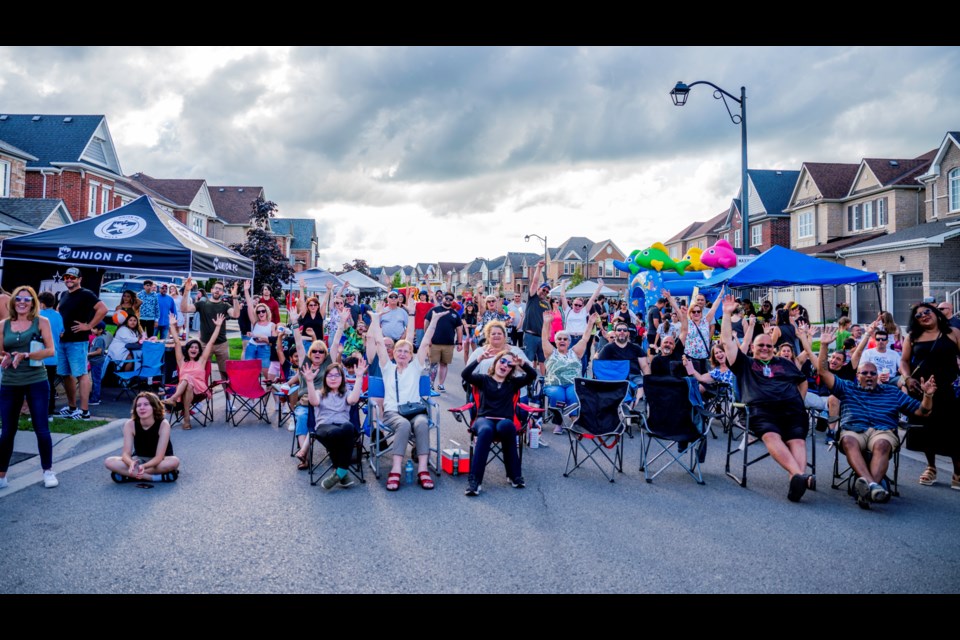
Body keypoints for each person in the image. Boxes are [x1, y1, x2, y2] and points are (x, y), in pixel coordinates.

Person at [817, 326, 935, 506]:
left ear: (878, 375)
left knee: (882, 444)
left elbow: (923, 411)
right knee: (848, 441)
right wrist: (824, 346)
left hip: (883, 430)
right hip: (854, 430)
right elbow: (823, 372)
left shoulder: (891, 392)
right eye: (864, 373)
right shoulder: (847, 388)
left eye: (873, 373)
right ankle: (873, 485)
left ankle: (865, 490)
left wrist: (928, 395)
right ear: (857, 376)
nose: (869, 376)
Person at [720, 294, 814, 502]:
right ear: (752, 348)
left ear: (774, 347)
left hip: (792, 411)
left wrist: (799, 399)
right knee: (771, 436)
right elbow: (726, 342)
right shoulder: (744, 363)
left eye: (768, 346)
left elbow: (802, 380)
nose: (764, 348)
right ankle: (799, 476)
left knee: (797, 440)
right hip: (762, 411)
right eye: (760, 345)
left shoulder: (784, 362)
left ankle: (796, 480)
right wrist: (727, 315)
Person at [372, 306, 445, 491]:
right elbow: (379, 344)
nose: (403, 353)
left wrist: (434, 321)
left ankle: (422, 470)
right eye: (399, 350)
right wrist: (375, 319)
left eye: (406, 351)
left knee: (421, 423)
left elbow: (426, 341)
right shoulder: (387, 367)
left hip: (414, 410)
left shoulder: (416, 367)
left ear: (411, 355)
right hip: (393, 412)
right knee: (403, 425)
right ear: (394, 353)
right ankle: (396, 470)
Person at [0, 286, 57, 490]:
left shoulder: (42, 322)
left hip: (36, 380)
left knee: (41, 429)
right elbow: (0, 353)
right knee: (7, 431)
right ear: (13, 302)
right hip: (10, 382)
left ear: (33, 302)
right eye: (18, 299)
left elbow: (51, 350)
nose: (22, 302)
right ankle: (2, 476)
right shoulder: (3, 325)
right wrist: (5, 358)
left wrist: (27, 355)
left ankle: (48, 471)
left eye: (26, 299)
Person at [898, 302, 960, 489]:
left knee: (953, 429)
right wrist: (907, 378)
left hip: (949, 389)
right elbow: (904, 360)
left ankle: (958, 470)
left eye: (927, 311)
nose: (924, 315)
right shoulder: (912, 337)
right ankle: (931, 467)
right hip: (922, 390)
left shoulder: (953, 333)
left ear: (935, 313)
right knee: (926, 429)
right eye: (918, 315)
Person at [461, 350, 538, 496]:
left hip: (504, 420)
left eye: (509, 364)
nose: (504, 365)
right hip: (484, 419)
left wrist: (522, 364)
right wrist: (479, 359)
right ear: (496, 363)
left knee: (507, 426)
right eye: (502, 361)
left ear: (511, 370)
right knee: (486, 431)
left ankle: (514, 476)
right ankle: (474, 482)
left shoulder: (513, 383)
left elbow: (532, 376)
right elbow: (465, 375)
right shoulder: (483, 379)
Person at [299, 358, 367, 489]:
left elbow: (353, 400)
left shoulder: (346, 393)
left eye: (337, 375)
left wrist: (359, 377)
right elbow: (313, 402)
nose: (333, 378)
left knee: (348, 427)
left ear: (342, 378)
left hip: (343, 427)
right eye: (330, 375)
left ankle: (339, 472)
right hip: (324, 427)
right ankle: (342, 473)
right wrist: (309, 381)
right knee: (337, 433)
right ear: (325, 378)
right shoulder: (319, 393)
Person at [56, 267, 108, 420]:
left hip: (77, 342)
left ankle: (84, 411)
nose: (69, 280)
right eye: (66, 277)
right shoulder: (65, 295)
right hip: (63, 341)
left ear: (79, 279)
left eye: (72, 277)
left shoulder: (86, 294)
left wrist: (89, 326)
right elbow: (59, 311)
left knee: (81, 374)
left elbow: (103, 309)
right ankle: (72, 407)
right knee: (65, 374)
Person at [162, 313, 225, 430]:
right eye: (191, 347)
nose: (194, 349)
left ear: (199, 350)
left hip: (200, 389)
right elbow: (176, 343)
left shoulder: (202, 360)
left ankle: (174, 398)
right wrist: (172, 325)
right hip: (186, 389)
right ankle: (186, 420)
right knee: (188, 385)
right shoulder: (181, 361)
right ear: (188, 350)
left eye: (196, 347)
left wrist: (217, 326)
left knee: (186, 377)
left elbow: (211, 342)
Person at [104, 392, 179, 483]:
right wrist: (131, 463)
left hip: (159, 461)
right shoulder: (130, 424)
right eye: (138, 405)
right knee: (109, 461)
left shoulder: (163, 424)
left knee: (174, 461)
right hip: (140, 459)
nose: (142, 408)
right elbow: (126, 454)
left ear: (154, 407)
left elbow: (159, 457)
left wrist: (143, 467)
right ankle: (153, 478)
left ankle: (130, 475)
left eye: (146, 404)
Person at [541, 310, 596, 434]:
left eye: (565, 339)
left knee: (573, 394)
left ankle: (574, 421)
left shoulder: (575, 352)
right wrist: (546, 323)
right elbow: (544, 339)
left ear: (569, 342)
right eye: (559, 339)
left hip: (572, 383)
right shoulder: (550, 352)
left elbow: (585, 338)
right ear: (555, 341)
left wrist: (590, 323)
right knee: (558, 395)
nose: (562, 341)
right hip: (554, 384)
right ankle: (558, 423)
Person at [181, 277, 241, 380]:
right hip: (204, 344)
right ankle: (205, 394)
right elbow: (184, 309)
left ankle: (227, 396)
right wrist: (186, 291)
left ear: (222, 293)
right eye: (216, 288)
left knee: (225, 375)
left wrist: (234, 297)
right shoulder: (202, 304)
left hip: (222, 345)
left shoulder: (225, 306)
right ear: (212, 290)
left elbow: (236, 314)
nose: (217, 290)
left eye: (220, 289)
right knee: (203, 373)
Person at [560, 279, 604, 375]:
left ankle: (582, 377)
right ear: (572, 304)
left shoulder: (584, 311)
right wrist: (563, 284)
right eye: (575, 304)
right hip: (570, 338)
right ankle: (570, 376)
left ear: (582, 306)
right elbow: (562, 296)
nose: (577, 306)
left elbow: (592, 298)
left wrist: (600, 286)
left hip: (581, 339)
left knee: (583, 359)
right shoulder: (568, 310)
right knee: (569, 358)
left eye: (580, 305)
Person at [596, 320, 651, 395]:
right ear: (615, 333)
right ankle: (627, 404)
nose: (622, 332)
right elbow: (601, 366)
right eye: (619, 330)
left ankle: (630, 405)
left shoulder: (636, 348)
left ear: (628, 333)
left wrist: (648, 380)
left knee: (640, 385)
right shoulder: (608, 348)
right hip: (616, 376)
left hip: (634, 376)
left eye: (625, 330)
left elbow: (644, 366)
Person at [424, 292, 463, 391]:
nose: (448, 300)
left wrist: (460, 343)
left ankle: (441, 384)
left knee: (444, 364)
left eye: (450, 299)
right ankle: (430, 384)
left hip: (448, 344)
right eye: (447, 298)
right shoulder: (434, 310)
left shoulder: (455, 314)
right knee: (433, 364)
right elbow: (426, 323)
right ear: (443, 298)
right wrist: (427, 338)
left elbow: (459, 329)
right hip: (434, 343)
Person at [521, 260, 550, 374]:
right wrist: (539, 268)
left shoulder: (547, 304)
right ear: (538, 289)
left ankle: (543, 382)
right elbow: (535, 281)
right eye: (543, 289)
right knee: (528, 360)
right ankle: (528, 383)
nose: (545, 292)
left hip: (541, 337)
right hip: (530, 336)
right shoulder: (533, 297)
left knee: (543, 361)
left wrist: (547, 336)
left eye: (547, 291)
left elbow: (547, 322)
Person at [244, 280, 278, 380]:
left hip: (265, 349)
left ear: (266, 312)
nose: (261, 313)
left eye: (263, 311)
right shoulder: (255, 322)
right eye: (258, 312)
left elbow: (274, 340)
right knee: (250, 373)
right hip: (252, 347)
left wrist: (262, 338)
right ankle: (252, 391)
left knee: (267, 374)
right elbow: (250, 306)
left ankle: (268, 391)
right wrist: (246, 291)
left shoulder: (272, 325)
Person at [38, 292, 64, 414]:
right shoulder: (58, 316)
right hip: (53, 355)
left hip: (39, 356)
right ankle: (51, 408)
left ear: (42, 304)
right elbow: (61, 333)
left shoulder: (38, 315)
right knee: (50, 383)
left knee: (38, 385)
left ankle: (40, 409)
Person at [296, 279, 325, 352]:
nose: (313, 307)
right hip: (306, 342)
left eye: (315, 305)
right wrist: (301, 288)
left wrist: (328, 290)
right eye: (311, 305)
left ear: (318, 306)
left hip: (318, 343)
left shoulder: (320, 314)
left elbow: (324, 302)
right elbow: (302, 301)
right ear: (308, 306)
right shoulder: (305, 314)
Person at [87, 322, 107, 406]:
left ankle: (95, 398)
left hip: (97, 362)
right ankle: (94, 396)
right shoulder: (97, 338)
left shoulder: (99, 339)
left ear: (100, 330)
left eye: (94, 328)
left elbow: (99, 351)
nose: (92, 330)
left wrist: (88, 354)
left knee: (96, 380)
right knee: (95, 379)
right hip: (94, 362)